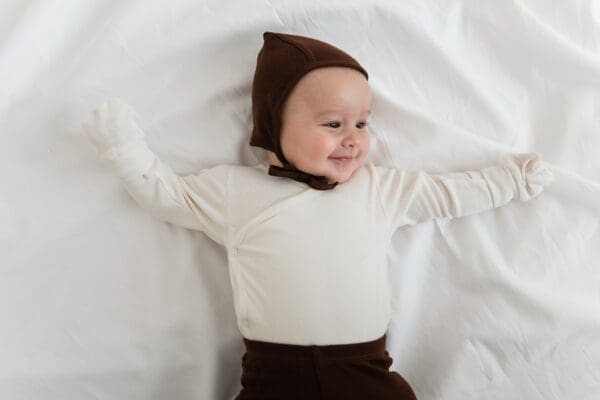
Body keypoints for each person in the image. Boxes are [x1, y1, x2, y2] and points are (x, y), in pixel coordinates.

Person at [82, 31, 554, 400]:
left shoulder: (379, 189)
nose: (353, 138)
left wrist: (512, 180)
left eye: (362, 123)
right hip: (272, 376)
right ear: (273, 126)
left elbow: (451, 195)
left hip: (365, 371)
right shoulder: (235, 191)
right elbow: (166, 196)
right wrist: (124, 147)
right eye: (333, 123)